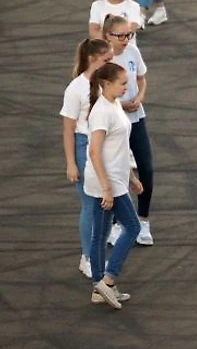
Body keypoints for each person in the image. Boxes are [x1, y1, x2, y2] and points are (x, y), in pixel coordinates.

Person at [84, 62, 143, 309]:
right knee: (133, 227)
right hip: (105, 183)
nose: (126, 87)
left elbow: (120, 147)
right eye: (122, 83)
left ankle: (99, 287)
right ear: (106, 84)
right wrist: (107, 188)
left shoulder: (114, 104)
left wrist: (132, 177)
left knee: (100, 234)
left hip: (116, 178)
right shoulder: (101, 112)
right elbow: (95, 152)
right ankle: (107, 280)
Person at [60, 39, 113, 279]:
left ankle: (97, 253)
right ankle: (88, 257)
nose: (110, 63)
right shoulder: (76, 89)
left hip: (105, 146)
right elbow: (68, 129)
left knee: (104, 203)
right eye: (106, 60)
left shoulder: (105, 84)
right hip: (84, 146)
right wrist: (71, 162)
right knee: (91, 205)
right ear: (92, 59)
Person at [102, 15, 155, 246]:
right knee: (117, 170)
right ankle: (115, 223)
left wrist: (139, 97)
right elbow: (99, 95)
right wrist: (121, 104)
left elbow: (142, 79)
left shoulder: (133, 52)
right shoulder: (104, 62)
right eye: (120, 35)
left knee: (146, 168)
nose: (125, 40)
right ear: (107, 36)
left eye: (128, 35)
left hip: (135, 117)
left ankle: (143, 220)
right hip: (114, 122)